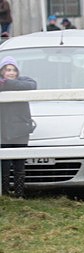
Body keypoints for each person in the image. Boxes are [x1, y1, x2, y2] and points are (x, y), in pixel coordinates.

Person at [0, 56, 36, 198]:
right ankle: (4, 194)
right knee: (4, 164)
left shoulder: (25, 81)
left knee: (19, 164)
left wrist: (6, 83)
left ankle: (19, 194)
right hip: (3, 129)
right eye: (8, 69)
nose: (11, 72)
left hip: (20, 129)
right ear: (2, 70)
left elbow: (32, 86)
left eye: (14, 69)